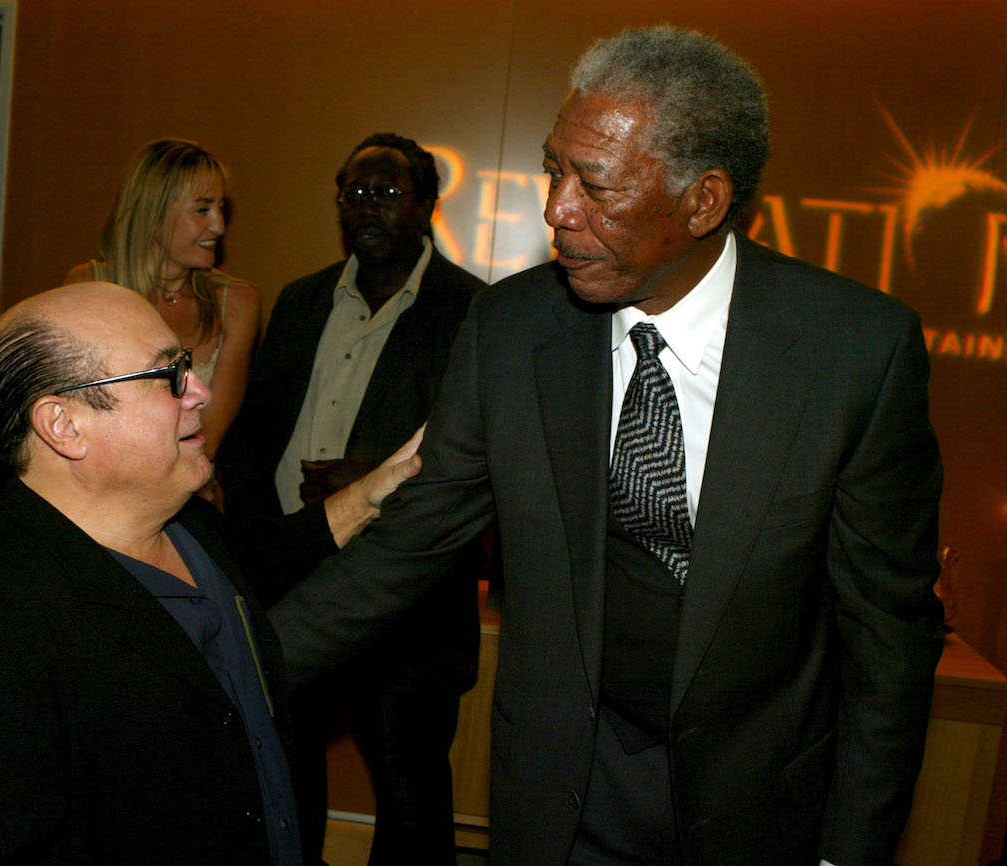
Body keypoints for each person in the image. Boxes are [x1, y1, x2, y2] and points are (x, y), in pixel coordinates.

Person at [268, 27, 944, 866]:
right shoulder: (512, 330)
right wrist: (237, 670)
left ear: (703, 201)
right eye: (556, 171)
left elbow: (889, 642)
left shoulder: (854, 353)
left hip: (763, 807)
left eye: (595, 185)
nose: (556, 207)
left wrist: (851, 851)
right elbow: (409, 542)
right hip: (563, 799)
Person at [0, 282, 422, 864]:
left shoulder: (182, 521)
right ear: (64, 424)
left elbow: (259, 560)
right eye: (168, 374)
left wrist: (370, 495)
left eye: (188, 364)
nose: (200, 391)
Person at [221, 132, 487, 865]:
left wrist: (355, 480)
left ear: (428, 205)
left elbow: (466, 462)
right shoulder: (303, 300)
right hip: (292, 583)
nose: (367, 208)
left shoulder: (472, 312)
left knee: (409, 801)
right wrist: (257, 545)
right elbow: (250, 438)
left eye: (388, 193)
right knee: (284, 779)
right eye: (354, 193)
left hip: (406, 598)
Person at [66, 138, 260, 470]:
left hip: (189, 489)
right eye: (202, 210)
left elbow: (207, 438)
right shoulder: (88, 288)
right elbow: (75, 415)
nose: (219, 226)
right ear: (154, 214)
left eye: (221, 208)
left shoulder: (237, 304)